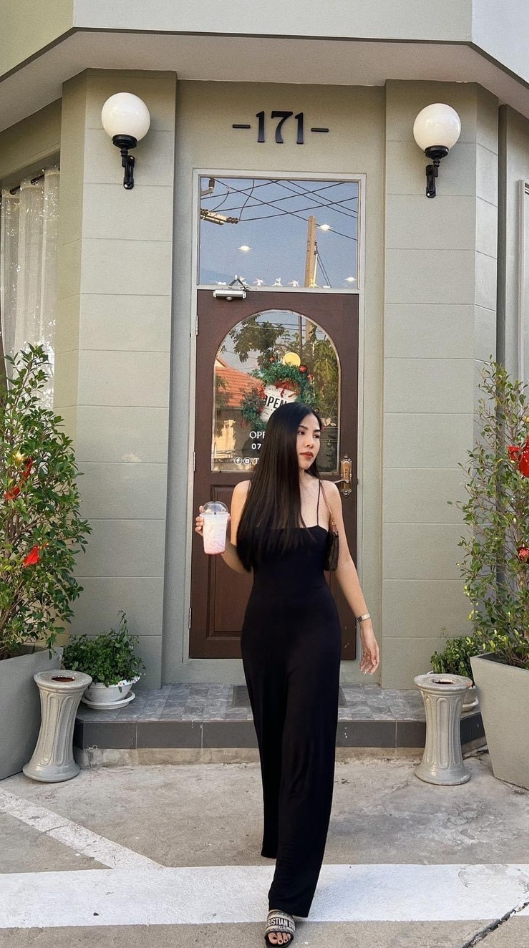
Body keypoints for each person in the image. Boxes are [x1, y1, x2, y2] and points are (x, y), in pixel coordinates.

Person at [195, 401, 379, 946]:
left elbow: (341, 561)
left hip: (315, 634)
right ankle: (284, 834)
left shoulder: (327, 494)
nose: (311, 442)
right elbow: (244, 562)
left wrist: (365, 623)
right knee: (274, 742)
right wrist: (216, 540)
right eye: (302, 432)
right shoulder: (246, 493)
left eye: (317, 434)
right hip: (263, 635)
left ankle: (287, 899)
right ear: (280, 435)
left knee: (306, 750)